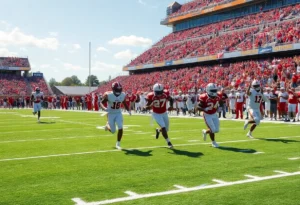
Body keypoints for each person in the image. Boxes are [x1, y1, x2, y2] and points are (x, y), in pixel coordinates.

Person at [100, 82, 131, 150]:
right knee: (113, 131)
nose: (118, 92)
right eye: (117, 90)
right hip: (111, 113)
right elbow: (101, 103)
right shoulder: (109, 95)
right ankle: (107, 126)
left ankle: (118, 143)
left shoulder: (122, 95)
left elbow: (124, 103)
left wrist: (128, 110)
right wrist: (104, 108)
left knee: (120, 127)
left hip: (118, 113)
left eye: (119, 90)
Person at [146, 83, 174, 148]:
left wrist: (171, 106)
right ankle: (168, 142)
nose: (159, 94)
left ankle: (158, 130)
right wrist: (148, 107)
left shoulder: (165, 93)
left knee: (166, 129)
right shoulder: (151, 96)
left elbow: (171, 99)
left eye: (160, 92)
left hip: (164, 113)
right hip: (156, 113)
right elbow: (146, 106)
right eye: (157, 92)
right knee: (163, 127)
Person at [199, 83, 222, 148]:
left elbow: (220, 101)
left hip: (214, 114)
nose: (214, 92)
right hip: (207, 115)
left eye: (215, 90)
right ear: (208, 90)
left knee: (216, 130)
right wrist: (204, 108)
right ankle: (213, 142)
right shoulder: (204, 97)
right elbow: (197, 107)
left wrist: (220, 107)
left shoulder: (218, 95)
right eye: (213, 90)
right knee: (213, 129)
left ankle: (205, 131)